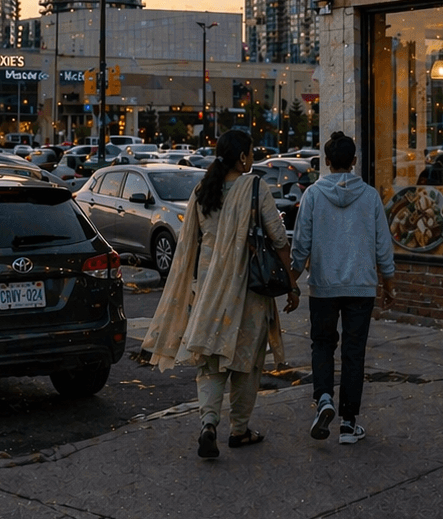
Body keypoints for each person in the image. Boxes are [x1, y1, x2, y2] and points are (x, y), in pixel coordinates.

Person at [142, 129, 299, 460]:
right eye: (251, 152)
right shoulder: (254, 187)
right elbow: (280, 240)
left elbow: (190, 245)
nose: (253, 157)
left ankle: (208, 424)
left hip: (210, 289)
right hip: (249, 292)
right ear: (242, 157)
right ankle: (239, 429)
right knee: (245, 362)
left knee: (211, 361)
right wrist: (292, 282)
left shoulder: (202, 191)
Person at [291, 131, 396, 445]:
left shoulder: (312, 195)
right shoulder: (370, 196)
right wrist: (388, 282)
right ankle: (349, 424)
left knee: (322, 345)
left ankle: (324, 399)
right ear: (353, 161)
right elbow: (383, 245)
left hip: (324, 286)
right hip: (361, 287)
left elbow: (300, 245)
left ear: (326, 161)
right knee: (354, 354)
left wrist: (291, 284)